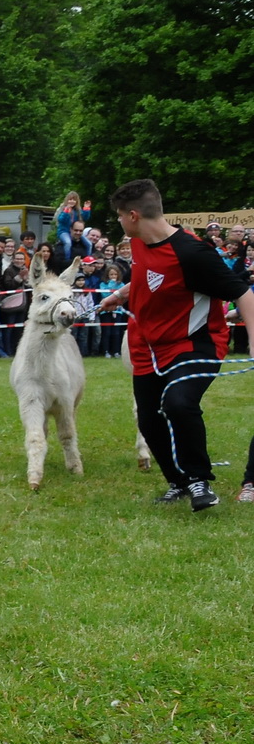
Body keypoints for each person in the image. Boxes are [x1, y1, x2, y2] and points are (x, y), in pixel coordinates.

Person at [97, 178, 254, 509]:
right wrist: (118, 295)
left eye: (120, 216)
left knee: (178, 403)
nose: (120, 223)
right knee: (149, 420)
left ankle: (199, 482)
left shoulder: (192, 253)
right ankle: (178, 482)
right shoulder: (140, 244)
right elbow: (146, 279)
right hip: (149, 347)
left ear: (134, 215)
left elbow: (244, 294)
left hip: (195, 344)